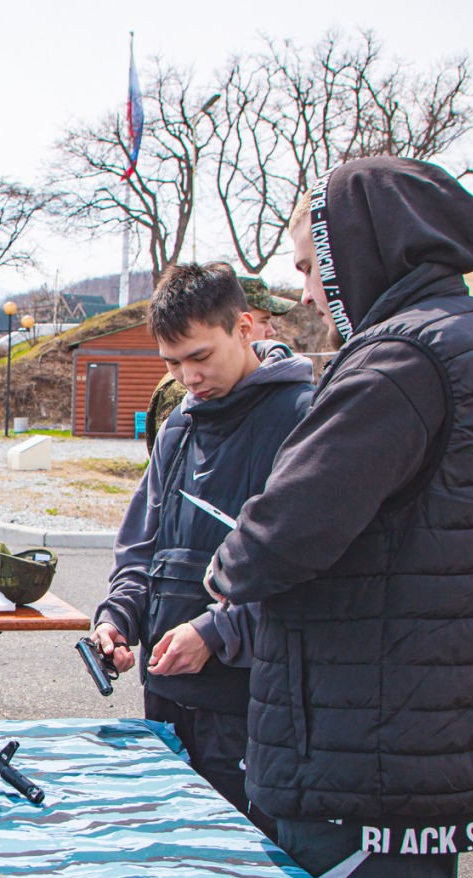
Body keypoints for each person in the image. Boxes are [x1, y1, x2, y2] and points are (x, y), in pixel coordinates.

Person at [204, 157, 473, 878]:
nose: (306, 292)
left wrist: (227, 567)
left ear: (352, 253)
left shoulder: (399, 359)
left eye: (309, 267)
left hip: (369, 749)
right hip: (439, 738)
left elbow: (285, 531)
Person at [90, 263, 313, 840]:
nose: (189, 377)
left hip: (254, 703)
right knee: (171, 854)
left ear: (244, 328)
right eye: (172, 363)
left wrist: (215, 633)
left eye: (200, 356)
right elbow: (141, 548)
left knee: (244, 864)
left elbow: (308, 570)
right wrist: (117, 617)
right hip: (166, 697)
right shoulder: (178, 426)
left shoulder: (304, 418)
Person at [142, 274, 297, 450]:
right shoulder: (182, 398)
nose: (190, 378)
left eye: (201, 357)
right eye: (264, 321)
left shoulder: (295, 406)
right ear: (242, 326)